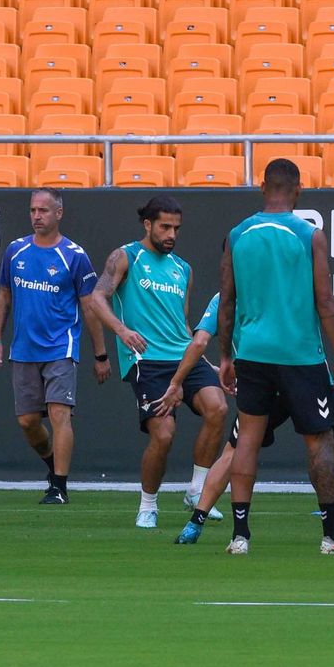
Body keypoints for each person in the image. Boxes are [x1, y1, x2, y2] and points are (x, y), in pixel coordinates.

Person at [215, 158, 334, 554]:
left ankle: (240, 535)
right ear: (298, 190)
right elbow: (326, 302)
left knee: (247, 439)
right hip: (300, 355)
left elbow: (227, 303)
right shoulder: (310, 235)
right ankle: (333, 536)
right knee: (318, 441)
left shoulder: (236, 234)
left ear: (262, 187)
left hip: (251, 351)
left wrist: (226, 357)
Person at [165, 293, 334, 545]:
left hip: (260, 380)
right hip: (305, 374)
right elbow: (329, 310)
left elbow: (199, 342)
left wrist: (177, 381)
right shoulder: (291, 282)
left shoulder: (225, 297)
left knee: (235, 451)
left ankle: (199, 524)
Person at [87, 196, 229, 529]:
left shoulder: (184, 269)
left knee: (218, 408)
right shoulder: (126, 257)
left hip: (183, 358)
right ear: (147, 224)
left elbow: (181, 325)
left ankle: (196, 490)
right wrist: (121, 330)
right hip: (146, 360)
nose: (171, 234)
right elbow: (97, 297)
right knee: (164, 434)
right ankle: (148, 504)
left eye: (176, 228)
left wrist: (203, 363)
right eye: (164, 227)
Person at [0, 187, 107, 504]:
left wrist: (100, 354)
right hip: (23, 348)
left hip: (60, 347)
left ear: (59, 213)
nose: (36, 216)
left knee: (59, 414)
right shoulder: (16, 251)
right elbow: (4, 294)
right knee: (28, 422)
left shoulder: (74, 256)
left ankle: (59, 488)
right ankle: (53, 466)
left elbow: (90, 306)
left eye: (43, 210)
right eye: (32, 210)